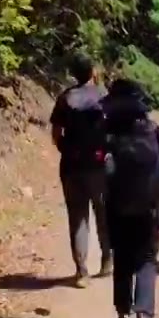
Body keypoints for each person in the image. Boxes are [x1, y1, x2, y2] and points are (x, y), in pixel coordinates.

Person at [103, 78, 159, 318]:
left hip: (117, 206)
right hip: (149, 206)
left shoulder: (107, 130)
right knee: (146, 259)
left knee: (121, 256)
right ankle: (145, 315)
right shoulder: (153, 129)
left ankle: (122, 315)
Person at [50, 52, 111, 287]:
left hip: (71, 166)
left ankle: (81, 271)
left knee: (78, 218)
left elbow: (56, 135)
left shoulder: (65, 98)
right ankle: (107, 260)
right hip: (99, 165)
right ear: (92, 72)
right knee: (104, 213)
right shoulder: (104, 96)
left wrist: (68, 150)